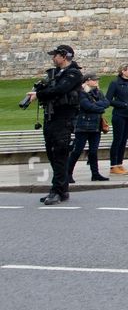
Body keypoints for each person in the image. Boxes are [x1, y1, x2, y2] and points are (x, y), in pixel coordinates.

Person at [26, 45, 84, 205]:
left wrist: (39, 94)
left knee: (59, 154)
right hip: (52, 117)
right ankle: (62, 189)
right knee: (52, 154)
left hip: (63, 119)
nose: (53, 58)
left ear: (64, 56)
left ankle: (57, 191)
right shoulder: (57, 73)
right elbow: (53, 89)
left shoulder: (73, 73)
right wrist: (40, 89)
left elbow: (60, 89)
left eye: (55, 55)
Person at [66, 73, 111, 183]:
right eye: (94, 80)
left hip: (96, 126)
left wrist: (97, 106)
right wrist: (99, 108)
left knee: (93, 151)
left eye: (97, 80)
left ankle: (95, 174)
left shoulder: (98, 92)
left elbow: (106, 102)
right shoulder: (81, 93)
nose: (96, 81)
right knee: (77, 151)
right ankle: (67, 174)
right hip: (83, 126)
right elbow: (86, 106)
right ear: (87, 81)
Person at [105, 64, 128, 176]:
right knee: (117, 140)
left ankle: (120, 163)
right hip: (120, 115)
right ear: (123, 71)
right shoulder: (115, 83)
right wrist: (123, 104)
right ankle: (113, 165)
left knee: (124, 140)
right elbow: (108, 100)